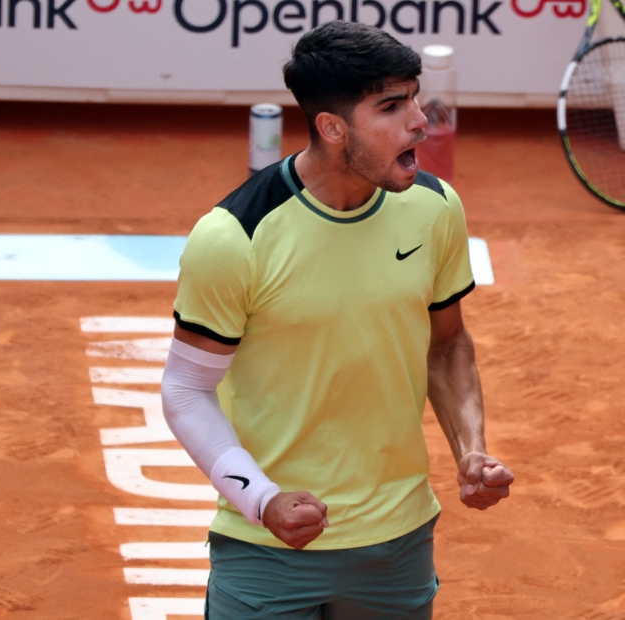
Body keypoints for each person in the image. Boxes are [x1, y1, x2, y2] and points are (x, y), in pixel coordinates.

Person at [160, 20, 514, 620]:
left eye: (415, 97)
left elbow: (446, 345)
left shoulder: (435, 208)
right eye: (392, 106)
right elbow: (185, 390)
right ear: (332, 127)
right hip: (267, 549)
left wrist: (470, 449)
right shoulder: (234, 238)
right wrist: (262, 499)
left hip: (396, 544)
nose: (420, 120)